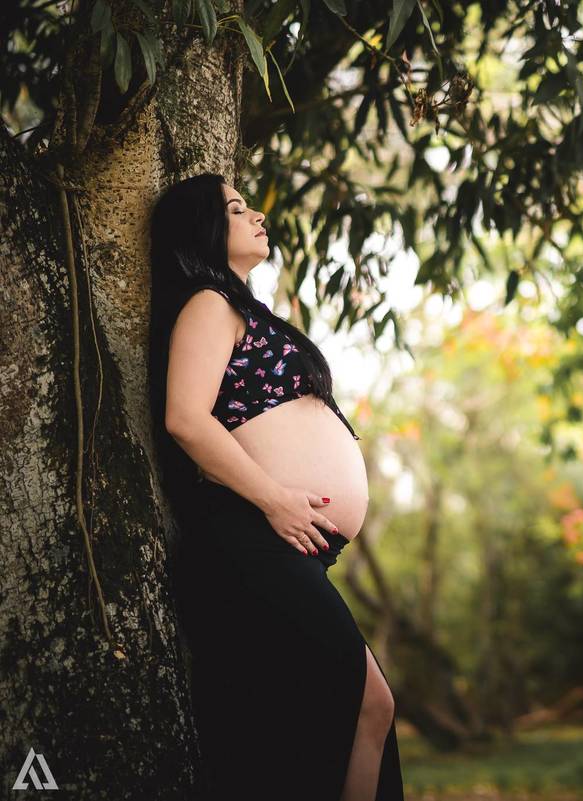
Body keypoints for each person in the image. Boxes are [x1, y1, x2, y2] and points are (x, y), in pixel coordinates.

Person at [147, 173, 405, 800]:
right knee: (353, 709)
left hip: (288, 542)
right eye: (236, 208)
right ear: (204, 231)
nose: (256, 214)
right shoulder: (209, 302)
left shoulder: (244, 309)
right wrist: (274, 498)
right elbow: (185, 417)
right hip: (250, 533)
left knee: (368, 710)